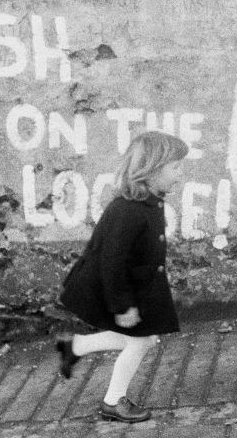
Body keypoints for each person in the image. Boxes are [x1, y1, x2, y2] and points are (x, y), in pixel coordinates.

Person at [55, 130, 188, 423]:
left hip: (136, 285)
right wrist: (121, 305)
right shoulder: (129, 210)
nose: (181, 174)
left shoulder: (148, 202)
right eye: (176, 167)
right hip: (117, 288)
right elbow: (111, 262)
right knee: (141, 341)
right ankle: (113, 402)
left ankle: (75, 346)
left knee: (144, 338)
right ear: (152, 169)